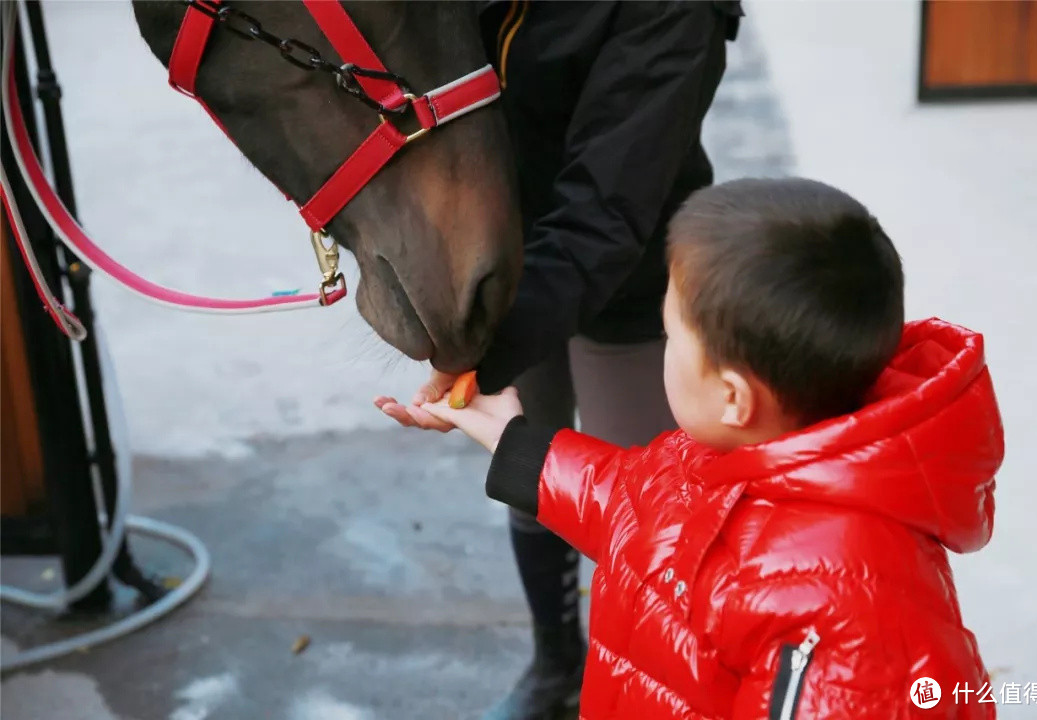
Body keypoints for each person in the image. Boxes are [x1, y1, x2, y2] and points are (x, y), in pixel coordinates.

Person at [413, 178, 1005, 719]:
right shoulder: (727, 454)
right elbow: (633, 507)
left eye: (671, 335)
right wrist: (512, 442)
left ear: (734, 397)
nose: (664, 348)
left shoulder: (843, 620)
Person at [376, 3, 742, 717]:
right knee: (533, 479)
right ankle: (555, 665)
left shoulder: (673, 11)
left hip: (627, 274)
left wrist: (480, 357)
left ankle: (654, 692)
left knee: (644, 526)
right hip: (502, 259)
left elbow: (608, 207)